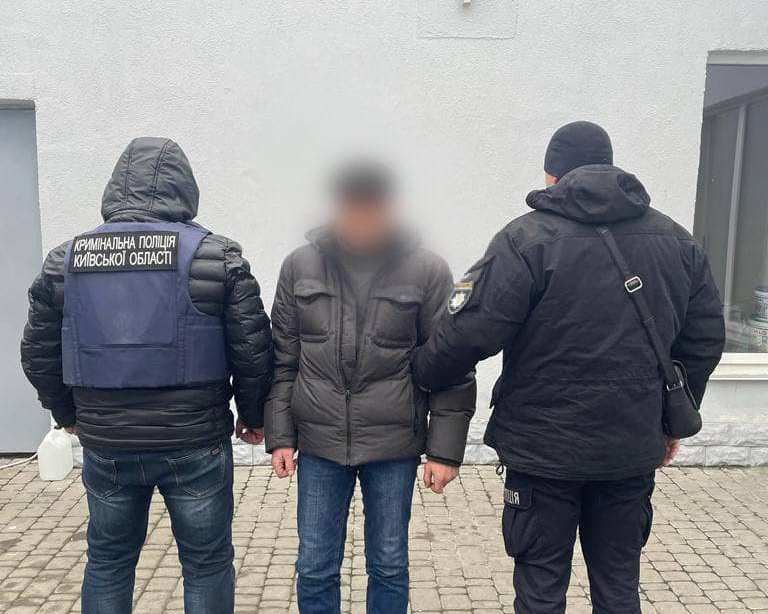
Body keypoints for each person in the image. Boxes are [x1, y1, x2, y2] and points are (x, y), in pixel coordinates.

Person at [413, 121, 725, 614]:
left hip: (543, 453)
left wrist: (421, 373)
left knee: (540, 590)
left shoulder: (525, 239)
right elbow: (705, 338)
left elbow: (471, 331)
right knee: (619, 588)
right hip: (629, 447)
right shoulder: (677, 242)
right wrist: (670, 419)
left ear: (552, 175)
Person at [20, 137, 273, 614]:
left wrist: (68, 415)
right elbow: (253, 350)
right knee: (206, 564)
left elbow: (38, 355)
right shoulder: (216, 257)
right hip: (194, 442)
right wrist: (254, 414)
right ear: (185, 189)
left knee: (109, 561)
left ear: (115, 188)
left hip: (107, 444)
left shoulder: (65, 262)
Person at [264, 160, 476, 614]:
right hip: (319, 443)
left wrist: (444, 452)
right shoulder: (300, 266)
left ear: (388, 208)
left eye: (370, 208)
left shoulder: (426, 271)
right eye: (351, 207)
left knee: (389, 565)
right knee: (315, 567)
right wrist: (281, 436)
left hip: (393, 444)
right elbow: (283, 361)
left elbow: (451, 367)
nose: (359, 219)